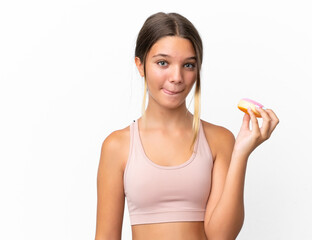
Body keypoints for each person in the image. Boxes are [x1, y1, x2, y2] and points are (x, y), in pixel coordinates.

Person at [95, 12, 279, 240]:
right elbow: (106, 236)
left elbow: (221, 236)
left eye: (188, 65)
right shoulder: (117, 146)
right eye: (163, 63)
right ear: (140, 65)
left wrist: (241, 154)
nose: (176, 77)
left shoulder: (219, 140)